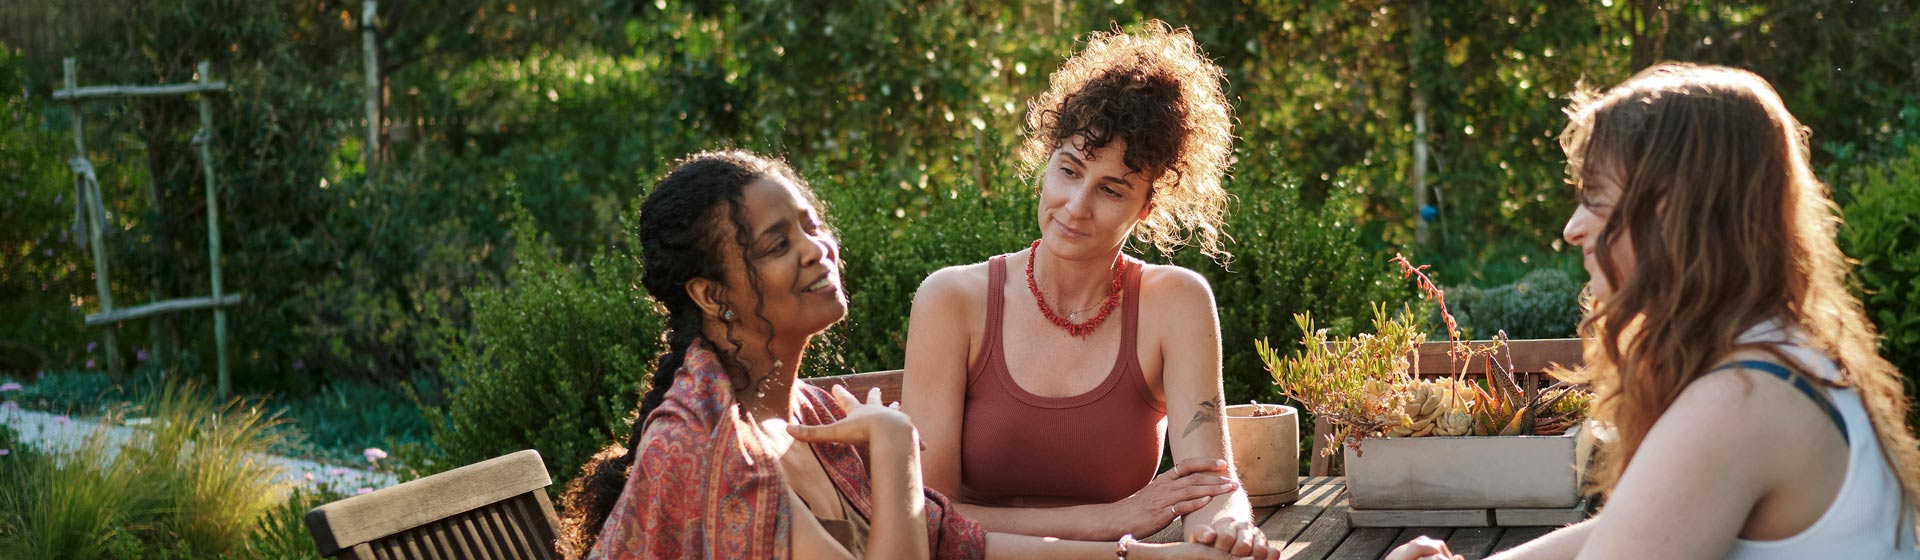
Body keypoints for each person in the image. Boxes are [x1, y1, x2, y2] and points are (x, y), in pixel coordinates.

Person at [557, 150, 1247, 559]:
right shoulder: (711, 451)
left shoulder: (813, 417)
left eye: (811, 224)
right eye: (776, 244)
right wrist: (892, 448)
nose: (815, 250)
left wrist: (1159, 554)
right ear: (712, 295)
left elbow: (960, 544)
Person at [1389, 64, 1920, 560]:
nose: (1572, 228)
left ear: (1672, 212)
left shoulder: (1739, 400)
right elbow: (1631, 525)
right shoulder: (1781, 358)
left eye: (1594, 197)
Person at [902, 22, 1274, 559]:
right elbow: (929, 512)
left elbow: (1211, 485)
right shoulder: (952, 301)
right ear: (1046, 162)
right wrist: (1113, 520)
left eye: (1111, 189)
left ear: (1145, 208)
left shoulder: (1177, 304)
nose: (1076, 205)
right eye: (1069, 170)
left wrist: (1229, 528)